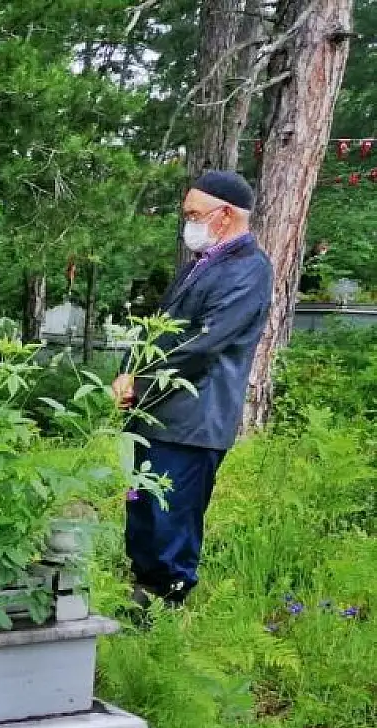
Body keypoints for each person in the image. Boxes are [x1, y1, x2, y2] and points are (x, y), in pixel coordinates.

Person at [112, 170, 272, 608]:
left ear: (224, 215)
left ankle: (167, 610)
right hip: (157, 415)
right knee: (143, 510)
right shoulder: (199, 266)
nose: (188, 223)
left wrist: (140, 383)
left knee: (172, 519)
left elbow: (203, 344)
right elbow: (157, 330)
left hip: (195, 421)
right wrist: (127, 371)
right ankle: (140, 599)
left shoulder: (249, 271)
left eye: (194, 214)